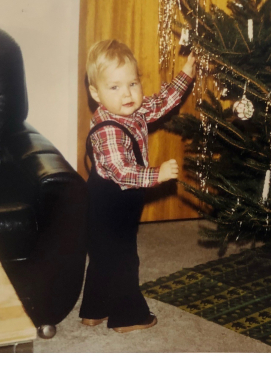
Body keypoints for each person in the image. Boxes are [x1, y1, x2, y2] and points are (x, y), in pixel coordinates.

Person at [79, 39, 196, 333]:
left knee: (105, 256)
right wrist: (156, 175)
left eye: (132, 83)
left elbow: (161, 101)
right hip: (108, 203)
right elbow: (120, 171)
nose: (128, 94)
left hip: (121, 201)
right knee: (123, 259)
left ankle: (95, 309)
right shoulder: (107, 129)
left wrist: (186, 74)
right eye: (115, 87)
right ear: (96, 93)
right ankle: (128, 316)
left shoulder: (135, 111)